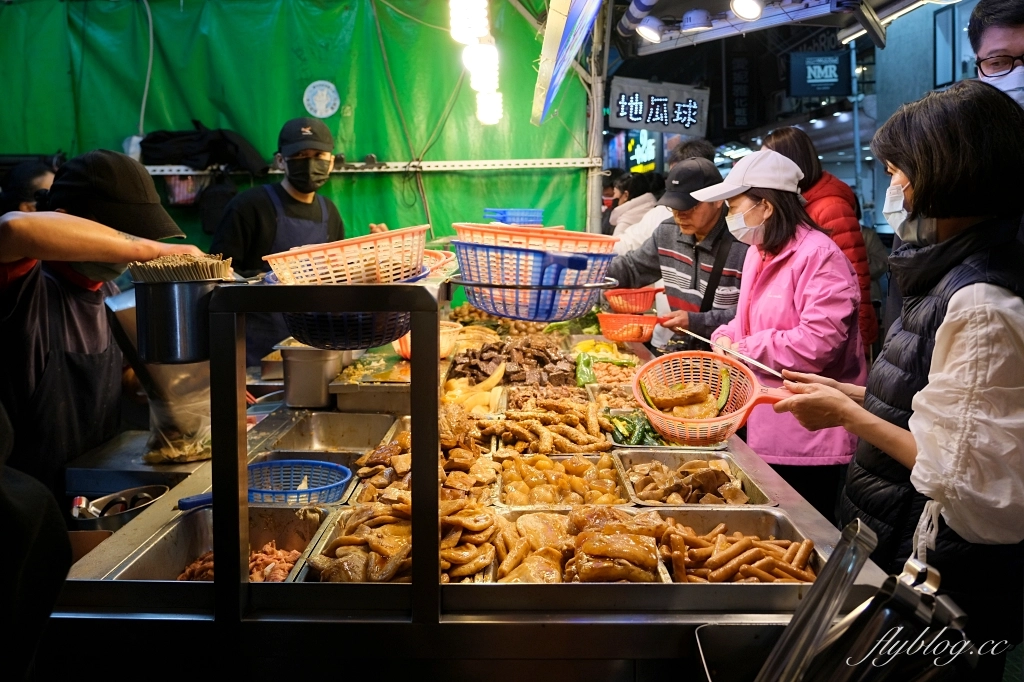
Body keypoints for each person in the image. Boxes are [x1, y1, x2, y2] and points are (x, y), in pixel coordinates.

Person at [774, 80, 1024, 682]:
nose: (894, 189)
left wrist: (846, 417)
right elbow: (939, 405)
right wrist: (852, 393)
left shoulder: (982, 300)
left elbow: (964, 476)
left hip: (939, 575)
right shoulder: (945, 271)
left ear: (949, 172)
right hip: (890, 535)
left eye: (898, 171)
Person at [0, 150, 202, 500]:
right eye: (123, 234)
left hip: (94, 493)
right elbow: (14, 229)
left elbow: (121, 378)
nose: (126, 250)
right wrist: (153, 252)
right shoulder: (22, 285)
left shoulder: (111, 294)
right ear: (65, 218)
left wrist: (174, 393)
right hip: (25, 504)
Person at [692, 149, 866, 523]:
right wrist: (725, 336)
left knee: (800, 538)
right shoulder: (759, 251)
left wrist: (743, 348)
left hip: (805, 432)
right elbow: (746, 320)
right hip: (760, 420)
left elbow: (817, 344)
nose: (728, 215)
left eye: (733, 204)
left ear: (766, 206)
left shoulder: (819, 256)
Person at [881, 0, 1024, 337]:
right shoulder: (948, 161)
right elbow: (905, 297)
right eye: (999, 61)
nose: (1018, 74)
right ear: (979, 67)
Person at [210, 117, 387, 365]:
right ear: (281, 160)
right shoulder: (249, 207)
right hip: (256, 354)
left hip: (315, 349)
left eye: (319, 154)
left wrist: (371, 256)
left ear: (331, 162)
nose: (311, 162)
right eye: (301, 155)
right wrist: (272, 280)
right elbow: (218, 278)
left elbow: (337, 277)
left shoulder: (330, 212)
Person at [762, 127, 878, 355]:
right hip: (808, 333)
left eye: (767, 161)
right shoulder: (797, 206)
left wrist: (861, 338)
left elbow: (856, 276)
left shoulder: (830, 207)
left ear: (791, 163)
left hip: (838, 338)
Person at [607, 158, 747, 346]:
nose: (680, 214)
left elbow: (751, 314)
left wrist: (695, 321)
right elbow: (631, 268)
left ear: (718, 199)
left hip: (726, 355)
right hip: (683, 353)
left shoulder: (744, 244)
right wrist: (583, 271)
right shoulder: (668, 232)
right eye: (674, 206)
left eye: (690, 206)